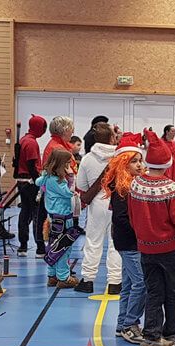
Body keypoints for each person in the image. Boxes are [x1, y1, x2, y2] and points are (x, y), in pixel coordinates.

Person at [129, 129, 175, 346]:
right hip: (169, 247)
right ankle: (169, 333)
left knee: (153, 290)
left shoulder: (136, 184)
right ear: (167, 163)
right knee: (172, 291)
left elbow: (133, 216)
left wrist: (142, 237)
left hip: (146, 247)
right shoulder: (170, 187)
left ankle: (151, 335)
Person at [98, 136, 148, 344]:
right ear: (123, 164)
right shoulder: (123, 188)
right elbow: (121, 218)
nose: (139, 165)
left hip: (129, 241)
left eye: (140, 160)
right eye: (134, 161)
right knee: (141, 283)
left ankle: (122, 324)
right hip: (129, 242)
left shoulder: (132, 185)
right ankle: (130, 324)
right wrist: (142, 230)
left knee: (128, 284)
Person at [74, 123, 123, 294]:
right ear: (111, 137)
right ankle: (115, 283)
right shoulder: (120, 157)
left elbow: (81, 185)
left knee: (93, 242)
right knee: (115, 243)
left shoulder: (87, 158)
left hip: (96, 204)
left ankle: (87, 280)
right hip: (117, 203)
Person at [37, 148, 80, 289]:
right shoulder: (56, 181)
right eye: (67, 163)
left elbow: (38, 181)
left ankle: (53, 275)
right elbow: (68, 193)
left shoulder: (47, 177)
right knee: (63, 248)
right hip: (62, 218)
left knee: (54, 247)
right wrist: (71, 177)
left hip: (54, 218)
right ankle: (63, 277)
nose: (69, 166)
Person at [14, 114, 46, 257]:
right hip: (31, 182)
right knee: (37, 214)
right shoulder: (31, 143)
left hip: (22, 181)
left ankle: (23, 246)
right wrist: (38, 181)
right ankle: (40, 248)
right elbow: (31, 165)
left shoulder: (23, 139)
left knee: (25, 212)